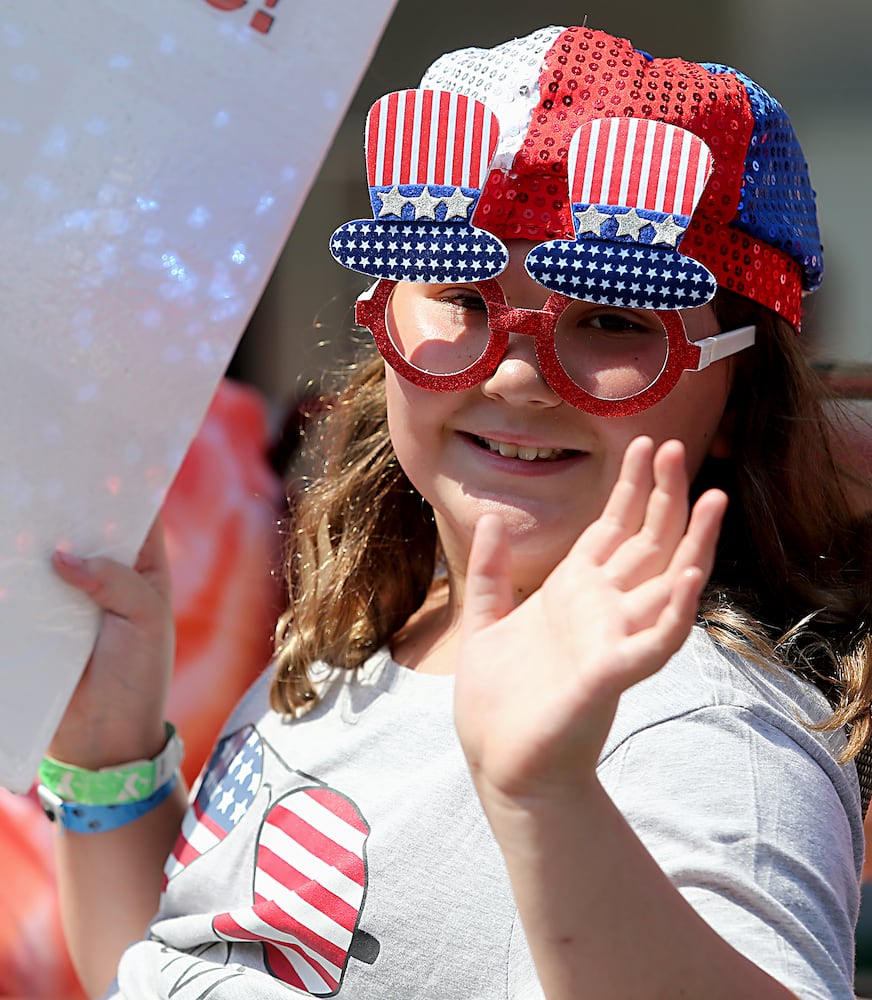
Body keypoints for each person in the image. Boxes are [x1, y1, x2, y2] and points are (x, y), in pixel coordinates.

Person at [40, 24, 872, 1000]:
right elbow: (163, 970)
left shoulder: (695, 724)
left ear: (737, 398)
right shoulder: (366, 633)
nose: (516, 372)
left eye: (609, 319)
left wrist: (548, 799)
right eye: (461, 298)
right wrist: (108, 755)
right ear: (384, 323)